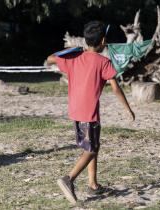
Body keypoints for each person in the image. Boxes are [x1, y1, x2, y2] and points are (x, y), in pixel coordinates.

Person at [46, 21, 135, 204]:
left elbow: (50, 58)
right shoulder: (104, 62)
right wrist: (128, 109)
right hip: (90, 113)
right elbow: (116, 88)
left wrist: (72, 51)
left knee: (94, 146)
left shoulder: (74, 58)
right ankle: (68, 179)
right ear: (103, 40)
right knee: (91, 149)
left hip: (76, 111)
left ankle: (93, 184)